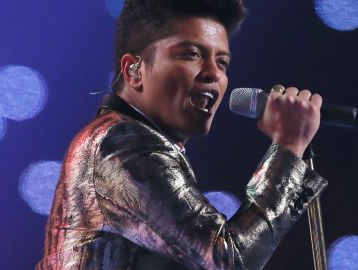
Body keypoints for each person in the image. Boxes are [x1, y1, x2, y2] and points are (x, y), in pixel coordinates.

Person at [37, 0, 327, 269]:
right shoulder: (121, 142)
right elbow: (228, 258)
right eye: (192, 54)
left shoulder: (129, 141)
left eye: (222, 62)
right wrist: (289, 144)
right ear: (133, 70)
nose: (213, 73)